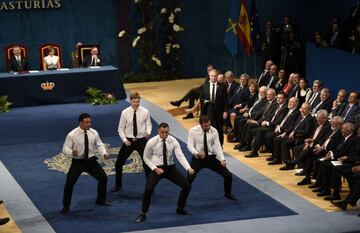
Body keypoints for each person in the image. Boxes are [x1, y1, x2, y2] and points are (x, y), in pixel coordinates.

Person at [135, 123, 194, 223]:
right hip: (156, 169)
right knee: (148, 190)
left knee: (187, 186)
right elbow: (146, 157)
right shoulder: (151, 142)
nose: (165, 134)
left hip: (170, 168)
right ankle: (143, 213)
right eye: (162, 132)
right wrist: (155, 169)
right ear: (158, 131)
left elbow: (180, 155)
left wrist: (188, 168)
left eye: (167, 132)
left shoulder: (173, 140)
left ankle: (180, 208)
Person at [61, 113, 110, 214]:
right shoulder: (72, 134)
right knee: (69, 183)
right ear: (80, 123)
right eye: (86, 122)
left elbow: (99, 144)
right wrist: (71, 152)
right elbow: (65, 148)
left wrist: (104, 153)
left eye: (90, 122)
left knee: (103, 178)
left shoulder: (94, 133)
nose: (89, 124)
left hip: (91, 161)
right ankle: (66, 206)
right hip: (78, 162)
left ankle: (101, 200)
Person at [181, 116, 236, 203]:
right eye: (205, 126)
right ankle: (182, 202)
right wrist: (197, 153)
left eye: (209, 125)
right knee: (189, 179)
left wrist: (222, 159)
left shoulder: (213, 130)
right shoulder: (193, 131)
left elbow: (217, 146)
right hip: (198, 159)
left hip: (211, 158)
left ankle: (228, 194)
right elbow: (190, 146)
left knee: (228, 175)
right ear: (200, 124)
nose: (208, 128)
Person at [112, 92, 152, 192]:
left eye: (138, 101)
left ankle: (150, 186)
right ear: (130, 101)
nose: (136, 104)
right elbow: (120, 129)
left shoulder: (145, 111)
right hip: (129, 141)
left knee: (147, 163)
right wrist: (125, 140)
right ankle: (118, 185)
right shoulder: (125, 112)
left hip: (141, 140)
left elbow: (149, 125)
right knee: (118, 163)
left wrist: (148, 132)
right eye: (134, 102)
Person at [199, 68, 228, 146]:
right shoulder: (204, 86)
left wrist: (225, 111)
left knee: (219, 129)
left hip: (219, 111)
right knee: (209, 128)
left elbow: (225, 100)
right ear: (209, 76)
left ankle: (220, 146)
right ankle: (209, 145)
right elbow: (201, 98)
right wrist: (205, 101)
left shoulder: (222, 86)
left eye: (215, 76)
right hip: (208, 111)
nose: (214, 78)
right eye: (212, 76)